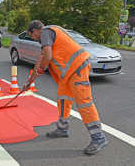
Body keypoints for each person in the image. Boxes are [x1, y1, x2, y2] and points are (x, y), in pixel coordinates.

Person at [23, 20, 108, 155]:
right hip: (68, 74)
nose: (33, 39)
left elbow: (47, 57)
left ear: (34, 31)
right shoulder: (48, 37)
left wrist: (40, 71)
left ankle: (99, 138)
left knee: (84, 103)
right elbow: (40, 61)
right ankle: (62, 129)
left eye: (32, 36)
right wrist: (29, 81)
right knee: (63, 99)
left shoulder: (45, 32)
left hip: (77, 68)